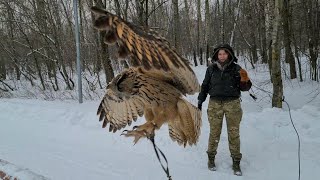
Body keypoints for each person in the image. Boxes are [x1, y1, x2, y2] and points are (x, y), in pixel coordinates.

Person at [197, 44, 252, 176]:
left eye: (225, 54)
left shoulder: (236, 68)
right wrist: (200, 99)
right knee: (214, 133)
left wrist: (245, 80)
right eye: (220, 54)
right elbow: (205, 85)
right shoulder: (211, 69)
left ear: (229, 55)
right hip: (215, 104)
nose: (222, 56)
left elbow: (245, 88)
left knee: (234, 134)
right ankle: (211, 158)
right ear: (216, 55)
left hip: (232, 104)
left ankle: (236, 162)